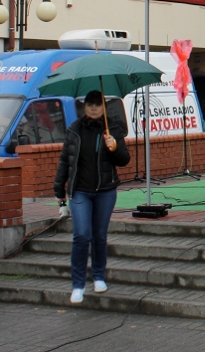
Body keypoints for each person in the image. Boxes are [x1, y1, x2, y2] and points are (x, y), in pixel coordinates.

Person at [53, 90, 130, 304]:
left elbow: (124, 160)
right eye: (90, 105)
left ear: (104, 107)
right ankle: (78, 285)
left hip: (105, 191)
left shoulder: (112, 128)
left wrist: (114, 147)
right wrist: (59, 191)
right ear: (84, 107)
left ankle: (98, 276)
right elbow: (65, 161)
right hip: (80, 191)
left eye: (98, 105)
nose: (94, 108)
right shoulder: (74, 129)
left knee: (99, 236)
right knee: (81, 235)